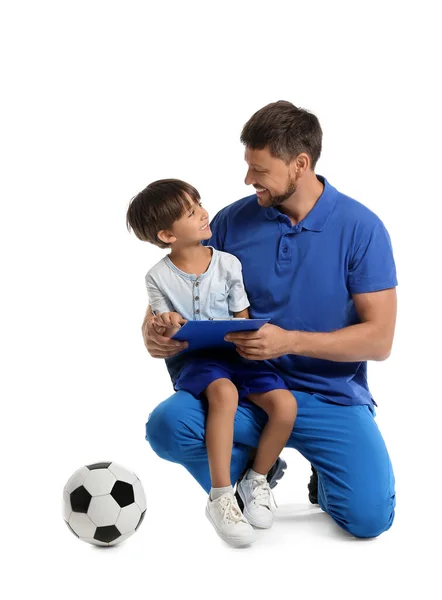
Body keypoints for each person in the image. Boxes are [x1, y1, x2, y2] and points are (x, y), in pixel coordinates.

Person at [142, 100, 398, 541]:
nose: (247, 179)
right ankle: (253, 476)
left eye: (259, 169)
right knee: (167, 425)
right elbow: (182, 284)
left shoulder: (361, 228)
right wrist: (152, 330)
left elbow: (379, 340)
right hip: (245, 388)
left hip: (329, 396)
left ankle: (326, 478)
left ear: (300, 164)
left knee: (369, 519)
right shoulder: (230, 221)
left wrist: (289, 342)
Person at [127, 179, 298, 547]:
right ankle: (221, 495)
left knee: (285, 405)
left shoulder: (228, 263)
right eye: (192, 212)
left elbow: (242, 315)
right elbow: (164, 321)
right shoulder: (156, 277)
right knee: (223, 393)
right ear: (166, 234)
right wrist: (166, 324)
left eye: (199, 204)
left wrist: (249, 333)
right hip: (198, 360)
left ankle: (257, 477)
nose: (204, 213)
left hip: (237, 352)